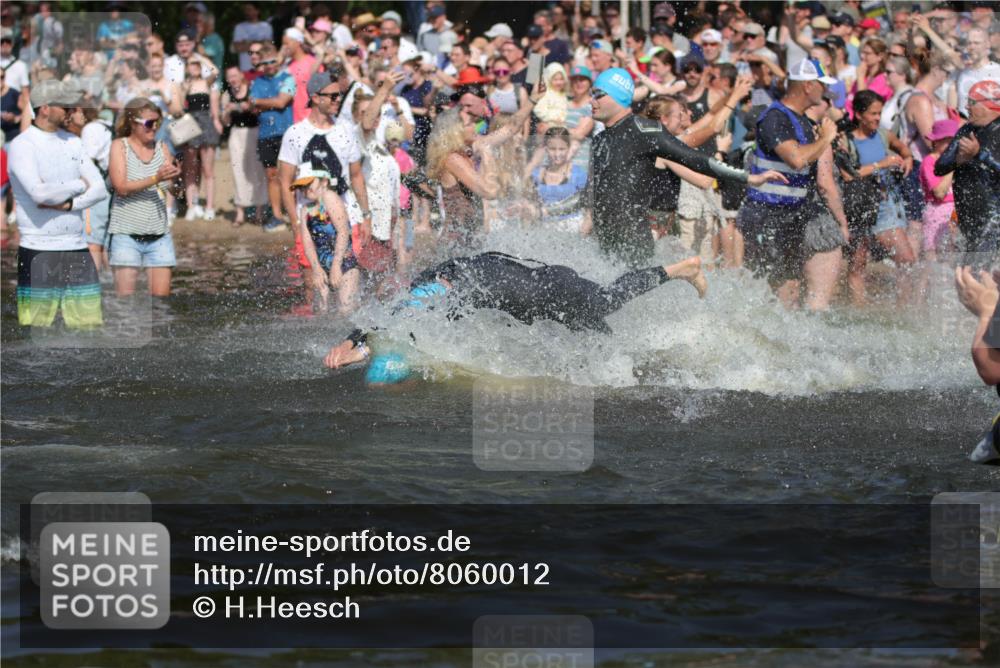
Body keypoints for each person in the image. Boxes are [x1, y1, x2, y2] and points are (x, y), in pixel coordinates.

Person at [322, 252, 709, 384]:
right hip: (551, 283)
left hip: (553, 295)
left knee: (606, 308)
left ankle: (682, 269)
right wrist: (356, 340)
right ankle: (679, 280)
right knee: (608, 339)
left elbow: (401, 312)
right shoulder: (464, 269)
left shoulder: (452, 284)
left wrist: (356, 343)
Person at [587, 67, 787, 267]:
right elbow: (592, 191)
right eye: (590, 94)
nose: (590, 100)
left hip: (634, 242)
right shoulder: (599, 140)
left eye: (597, 94)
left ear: (618, 95)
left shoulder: (644, 130)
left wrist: (748, 177)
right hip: (605, 243)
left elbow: (694, 158)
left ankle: (685, 272)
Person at [736, 59, 850, 311]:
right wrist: (826, 139)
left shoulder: (800, 120)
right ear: (808, 86)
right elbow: (796, 159)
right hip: (765, 217)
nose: (826, 92)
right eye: (822, 85)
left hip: (789, 217)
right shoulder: (775, 116)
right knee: (773, 299)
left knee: (789, 299)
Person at [8, 81, 108, 329]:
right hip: (38, 249)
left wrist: (68, 204)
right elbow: (40, 194)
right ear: (44, 108)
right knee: (36, 334)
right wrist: (78, 184)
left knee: (89, 330)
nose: (71, 110)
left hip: (77, 247)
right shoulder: (23, 145)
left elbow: (100, 189)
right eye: (65, 106)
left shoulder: (73, 142)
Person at [277, 71, 370, 292]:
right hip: (309, 223)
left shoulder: (345, 132)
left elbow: (356, 175)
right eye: (333, 96)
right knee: (314, 290)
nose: (338, 100)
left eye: (340, 95)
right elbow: (284, 181)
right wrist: (295, 223)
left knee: (347, 289)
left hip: (346, 220)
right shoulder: (295, 133)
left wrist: (366, 215)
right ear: (316, 98)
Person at [838, 90, 916, 306]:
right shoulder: (846, 140)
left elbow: (902, 148)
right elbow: (847, 174)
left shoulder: (883, 135)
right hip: (858, 206)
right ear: (859, 114)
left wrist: (908, 158)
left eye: (879, 113)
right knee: (858, 264)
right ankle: (859, 310)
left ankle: (903, 308)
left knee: (907, 259)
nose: (876, 118)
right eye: (872, 113)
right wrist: (880, 165)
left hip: (884, 207)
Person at [107, 97, 180, 298]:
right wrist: (156, 177)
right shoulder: (119, 146)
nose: (154, 127)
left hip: (159, 237)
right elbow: (121, 187)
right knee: (126, 303)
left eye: (158, 122)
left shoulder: (162, 147)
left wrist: (176, 181)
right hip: (125, 236)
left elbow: (172, 190)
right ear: (133, 123)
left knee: (161, 304)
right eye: (149, 123)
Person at [934, 79, 1000, 258]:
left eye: (971, 102)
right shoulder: (966, 130)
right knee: (966, 275)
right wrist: (959, 159)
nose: (966, 107)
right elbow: (939, 167)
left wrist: (978, 154)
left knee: (980, 273)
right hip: (968, 217)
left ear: (990, 104)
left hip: (994, 220)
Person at [292, 163, 359, 313]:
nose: (305, 189)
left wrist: (336, 265)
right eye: (302, 186)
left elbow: (343, 232)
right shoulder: (305, 210)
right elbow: (308, 243)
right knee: (322, 312)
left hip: (343, 263)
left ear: (324, 181)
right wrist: (316, 269)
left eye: (309, 184)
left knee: (345, 309)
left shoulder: (330, 197)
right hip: (322, 267)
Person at [249, 43, 296, 232]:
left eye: (272, 61)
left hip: (286, 132)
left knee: (290, 175)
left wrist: (260, 102)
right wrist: (272, 103)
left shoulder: (288, 78)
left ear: (278, 60)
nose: (269, 65)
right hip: (266, 134)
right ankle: (277, 216)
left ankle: (294, 214)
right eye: (265, 62)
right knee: (271, 176)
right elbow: (253, 107)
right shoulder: (257, 82)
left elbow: (282, 101)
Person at [171, 57, 221, 221]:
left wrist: (200, 57)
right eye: (191, 65)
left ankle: (210, 207)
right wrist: (184, 88)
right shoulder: (184, 85)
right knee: (190, 168)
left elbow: (216, 71)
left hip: (205, 122)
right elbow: (178, 107)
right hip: (190, 123)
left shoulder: (206, 83)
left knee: (208, 169)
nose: (195, 67)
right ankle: (192, 205)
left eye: (196, 65)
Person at [221, 65, 267, 227]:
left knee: (257, 169)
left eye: (235, 75)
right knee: (238, 169)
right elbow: (225, 122)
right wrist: (227, 111)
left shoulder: (251, 90)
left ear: (241, 75)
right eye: (229, 77)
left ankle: (259, 210)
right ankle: (240, 210)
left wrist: (247, 107)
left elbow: (258, 112)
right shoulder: (227, 95)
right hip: (236, 134)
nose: (233, 79)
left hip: (254, 131)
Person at [529, 127, 590, 234]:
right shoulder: (535, 174)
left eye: (562, 149)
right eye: (552, 149)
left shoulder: (579, 174)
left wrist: (584, 231)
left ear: (569, 148)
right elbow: (530, 203)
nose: (557, 154)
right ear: (545, 148)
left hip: (571, 227)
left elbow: (588, 205)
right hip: (543, 228)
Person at [919, 119, 958, 261]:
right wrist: (953, 167)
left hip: (955, 211)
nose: (953, 145)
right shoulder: (929, 161)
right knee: (932, 256)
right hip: (937, 211)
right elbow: (939, 193)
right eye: (948, 140)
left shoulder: (960, 160)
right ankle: (924, 283)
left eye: (954, 141)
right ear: (936, 141)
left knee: (951, 256)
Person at [953, 27, 1000, 118]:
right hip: (966, 128)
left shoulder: (998, 71)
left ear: (988, 44)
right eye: (969, 43)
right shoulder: (960, 74)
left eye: (976, 43)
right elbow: (959, 109)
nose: (972, 47)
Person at [282, 27, 317, 123]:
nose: (284, 47)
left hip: (310, 120)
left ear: (297, 42)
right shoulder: (287, 65)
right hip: (291, 120)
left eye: (286, 43)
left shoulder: (313, 63)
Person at [231, 2, 272, 75]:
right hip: (245, 69)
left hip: (263, 68)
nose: (246, 12)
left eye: (249, 9)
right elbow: (237, 48)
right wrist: (260, 42)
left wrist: (246, 43)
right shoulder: (239, 27)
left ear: (257, 11)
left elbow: (268, 47)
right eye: (245, 10)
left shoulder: (266, 26)